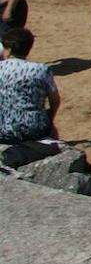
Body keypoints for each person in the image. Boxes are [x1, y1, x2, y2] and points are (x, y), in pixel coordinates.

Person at [0, 28, 61, 168]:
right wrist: (49, 119)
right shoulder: (41, 69)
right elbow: (55, 101)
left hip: (3, 130)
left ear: (8, 49)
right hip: (33, 129)